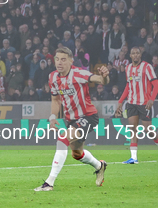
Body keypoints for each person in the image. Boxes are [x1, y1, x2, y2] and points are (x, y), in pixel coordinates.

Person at [34, 47, 108, 191]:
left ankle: (49, 183)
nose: (59, 62)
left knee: (62, 139)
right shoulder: (53, 77)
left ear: (70, 61)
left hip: (88, 116)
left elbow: (100, 80)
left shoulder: (78, 73)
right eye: (57, 59)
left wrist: (104, 76)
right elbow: (55, 100)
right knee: (77, 154)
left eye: (63, 59)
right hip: (71, 120)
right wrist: (53, 117)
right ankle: (100, 166)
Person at [115, 47, 158, 164]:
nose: (135, 55)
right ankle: (134, 157)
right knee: (133, 129)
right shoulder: (128, 68)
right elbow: (128, 86)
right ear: (130, 56)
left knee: (148, 129)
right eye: (133, 53)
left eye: (137, 53)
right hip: (131, 103)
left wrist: (152, 99)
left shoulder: (147, 67)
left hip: (144, 103)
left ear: (140, 55)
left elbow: (156, 85)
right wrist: (120, 101)